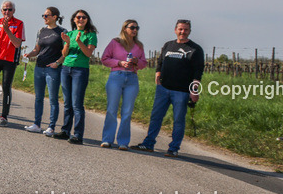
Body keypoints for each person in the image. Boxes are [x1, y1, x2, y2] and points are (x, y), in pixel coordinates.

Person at [132, 20, 204, 157]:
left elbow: (198, 72)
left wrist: (194, 90)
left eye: (186, 29)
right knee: (156, 117)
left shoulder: (195, 49)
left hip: (182, 91)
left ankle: (173, 148)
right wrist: (158, 73)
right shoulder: (168, 45)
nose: (182, 32)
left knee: (178, 120)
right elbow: (160, 61)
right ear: (175, 30)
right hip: (163, 89)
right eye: (180, 29)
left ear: (189, 31)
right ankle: (148, 144)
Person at [100, 20, 147, 149]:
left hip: (132, 79)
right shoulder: (115, 42)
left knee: (127, 112)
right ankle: (107, 139)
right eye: (132, 27)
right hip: (116, 77)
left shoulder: (139, 46)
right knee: (111, 110)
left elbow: (144, 63)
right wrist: (119, 63)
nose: (135, 30)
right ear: (124, 28)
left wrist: (136, 61)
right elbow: (104, 59)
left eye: (137, 28)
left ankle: (123, 142)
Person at [53, 10, 98, 144]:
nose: (81, 19)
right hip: (66, 68)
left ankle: (78, 135)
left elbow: (88, 53)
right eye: (78, 17)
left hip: (80, 70)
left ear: (87, 20)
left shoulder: (91, 35)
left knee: (77, 104)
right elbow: (64, 54)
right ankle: (65, 131)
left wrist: (78, 41)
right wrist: (67, 43)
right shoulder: (69, 34)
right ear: (74, 19)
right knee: (67, 103)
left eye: (84, 17)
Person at [22, 7, 66, 135]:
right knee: (38, 98)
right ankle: (37, 124)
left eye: (47, 15)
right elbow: (37, 49)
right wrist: (29, 54)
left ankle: (51, 127)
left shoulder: (63, 32)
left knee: (53, 99)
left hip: (52, 69)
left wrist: (58, 63)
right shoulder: (41, 31)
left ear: (55, 17)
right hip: (39, 67)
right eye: (43, 15)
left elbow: (66, 52)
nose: (44, 18)